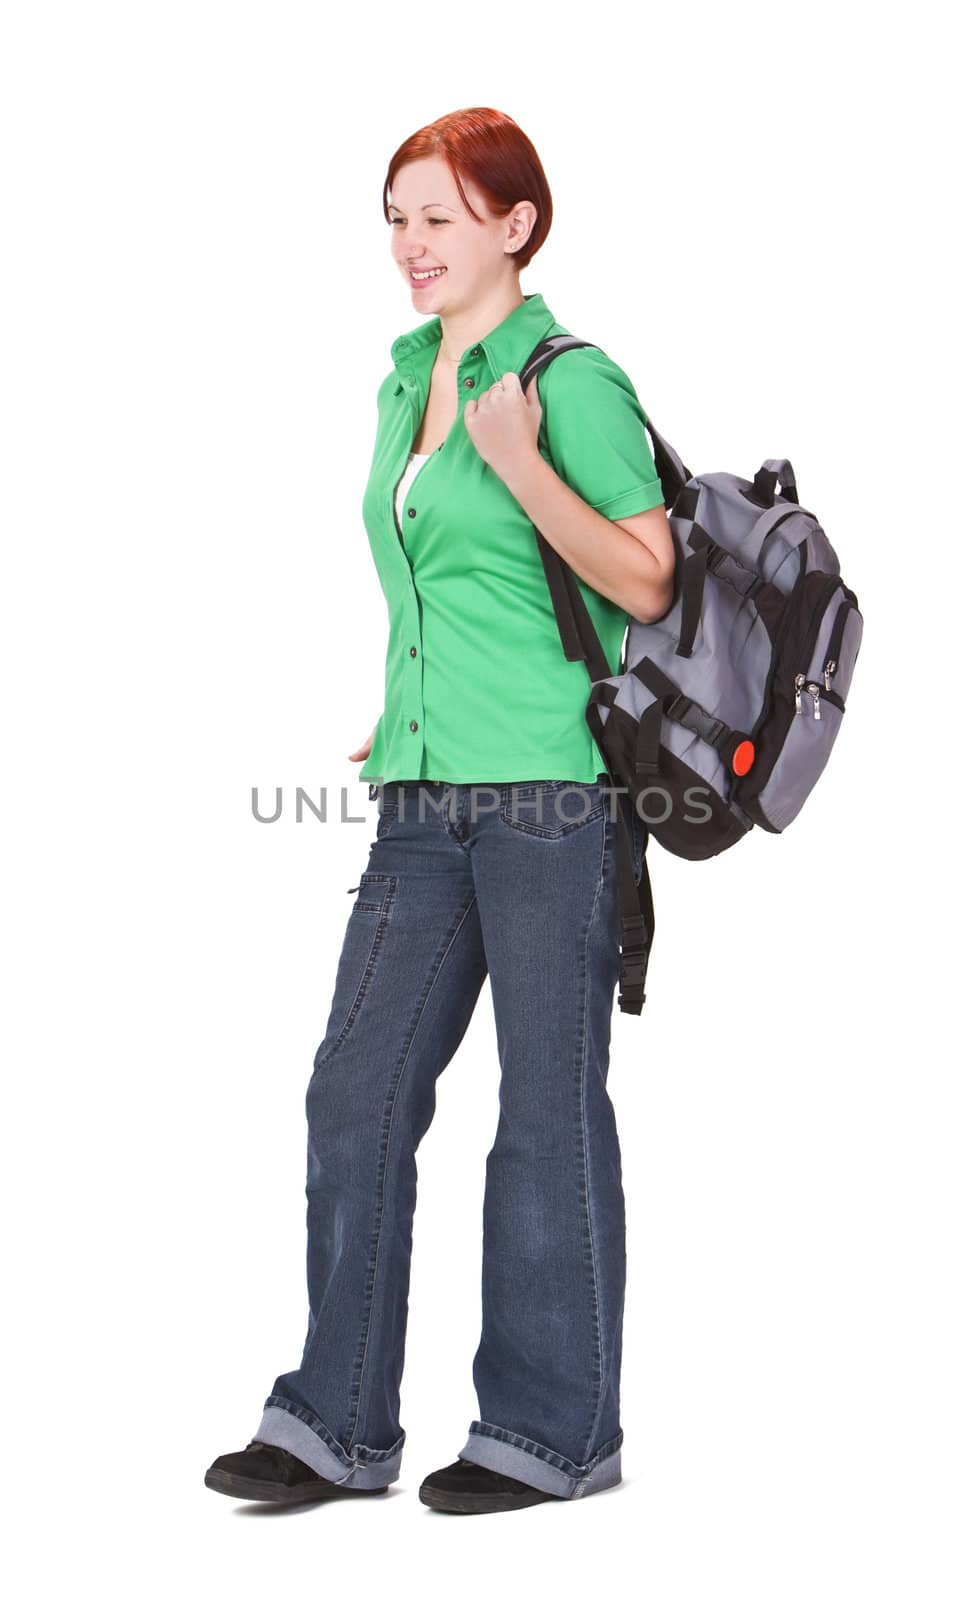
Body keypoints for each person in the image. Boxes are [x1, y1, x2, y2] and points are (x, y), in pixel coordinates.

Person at [205, 106, 675, 1516]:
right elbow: (441, 577)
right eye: (396, 218)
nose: (411, 246)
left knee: (541, 1109)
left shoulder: (566, 380)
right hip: (423, 791)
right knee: (356, 1090)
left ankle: (551, 1436)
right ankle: (333, 1424)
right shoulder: (405, 377)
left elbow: (644, 580)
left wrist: (524, 460)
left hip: (552, 797)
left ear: (516, 226)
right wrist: (411, 705)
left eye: (441, 218)